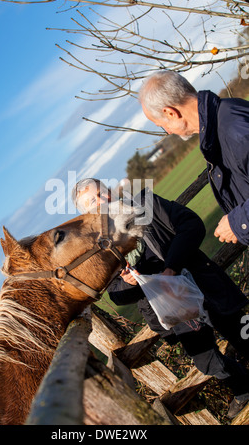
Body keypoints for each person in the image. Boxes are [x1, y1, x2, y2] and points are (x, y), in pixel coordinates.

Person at [72, 178, 249, 419]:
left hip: (202, 284)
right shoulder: (102, 250)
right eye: (93, 201)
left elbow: (192, 225)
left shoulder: (145, 203)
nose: (103, 201)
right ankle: (244, 389)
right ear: (87, 214)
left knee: (242, 332)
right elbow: (117, 294)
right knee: (207, 362)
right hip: (175, 313)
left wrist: (171, 268)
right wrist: (128, 282)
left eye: (102, 193)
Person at [138, 70, 249, 247]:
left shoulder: (233, 129)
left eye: (162, 125)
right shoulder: (225, 116)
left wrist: (237, 223)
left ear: (170, 113)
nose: (167, 132)